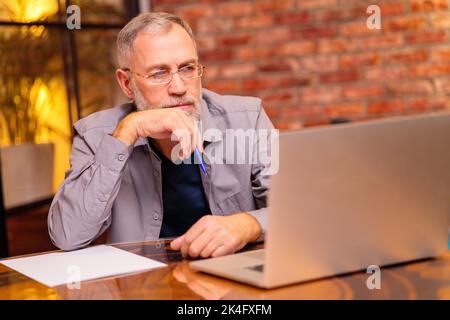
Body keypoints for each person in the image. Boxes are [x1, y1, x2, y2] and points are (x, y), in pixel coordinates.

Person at [48, 12, 274, 258]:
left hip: (230, 281)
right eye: (159, 73)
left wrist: (247, 224)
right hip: (143, 288)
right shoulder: (94, 135)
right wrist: (127, 131)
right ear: (126, 84)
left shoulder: (248, 120)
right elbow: (67, 235)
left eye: (187, 68)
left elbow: (299, 210)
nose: (178, 88)